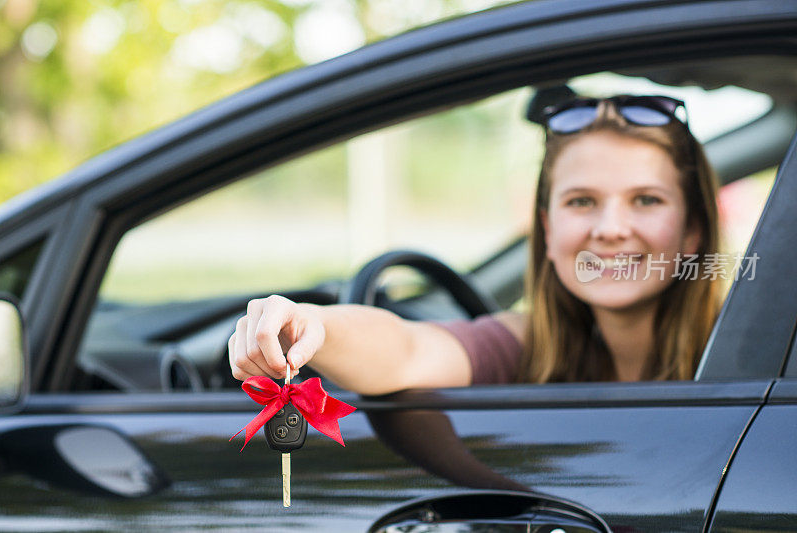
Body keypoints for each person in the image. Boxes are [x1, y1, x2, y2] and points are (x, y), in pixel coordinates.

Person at [228, 94, 722, 395]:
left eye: (646, 200)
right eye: (582, 202)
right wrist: (313, 323)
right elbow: (407, 351)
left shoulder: (761, 351)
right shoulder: (530, 346)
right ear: (548, 231)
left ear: (693, 231)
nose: (611, 228)